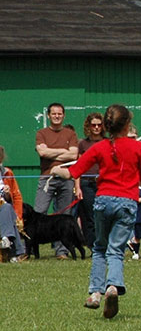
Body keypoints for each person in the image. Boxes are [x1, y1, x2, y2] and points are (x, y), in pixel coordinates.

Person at [50, 104, 141, 318]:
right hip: (127, 201)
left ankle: (95, 293)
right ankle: (113, 286)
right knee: (115, 250)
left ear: (106, 126)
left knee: (99, 248)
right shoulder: (138, 147)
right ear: (127, 125)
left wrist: (56, 170)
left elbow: (74, 171)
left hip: (103, 200)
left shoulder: (99, 147)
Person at [35, 102, 79, 259]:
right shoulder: (41, 133)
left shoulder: (70, 134)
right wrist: (62, 151)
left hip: (66, 177)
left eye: (59, 114)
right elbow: (42, 153)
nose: (57, 116)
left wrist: (50, 152)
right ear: (48, 115)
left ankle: (62, 251)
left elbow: (74, 155)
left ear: (64, 115)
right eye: (54, 114)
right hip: (47, 177)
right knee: (39, 212)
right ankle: (32, 250)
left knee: (64, 216)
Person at [75, 112, 105, 248]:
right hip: (86, 182)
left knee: (103, 215)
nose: (97, 127)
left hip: (103, 182)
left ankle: (104, 243)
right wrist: (77, 187)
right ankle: (93, 246)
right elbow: (79, 166)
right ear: (89, 126)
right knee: (89, 216)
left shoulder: (107, 142)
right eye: (94, 125)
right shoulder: (83, 144)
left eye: (99, 125)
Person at [1, 146, 29, 262]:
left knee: (9, 210)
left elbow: (16, 197)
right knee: (8, 209)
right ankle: (17, 252)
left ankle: (6, 240)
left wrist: (19, 216)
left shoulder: (7, 173)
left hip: (3, 209)